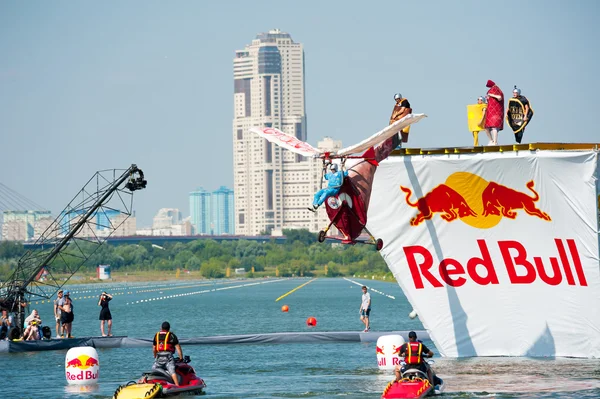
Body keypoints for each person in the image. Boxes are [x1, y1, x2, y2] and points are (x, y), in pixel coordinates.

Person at [152, 321, 184, 387]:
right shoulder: (172, 336)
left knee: (153, 369)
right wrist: (181, 358)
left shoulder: (156, 335)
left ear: (161, 328)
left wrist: (155, 356)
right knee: (172, 371)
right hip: (168, 357)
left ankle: (147, 382)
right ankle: (177, 386)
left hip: (158, 357)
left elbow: (154, 348)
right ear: (169, 328)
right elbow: (178, 348)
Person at [484, 80, 504, 145]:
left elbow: (499, 97)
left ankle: (495, 142)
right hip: (490, 112)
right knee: (486, 127)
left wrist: (492, 95)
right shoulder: (493, 89)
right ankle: (491, 140)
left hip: (496, 112)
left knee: (494, 127)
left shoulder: (496, 89)